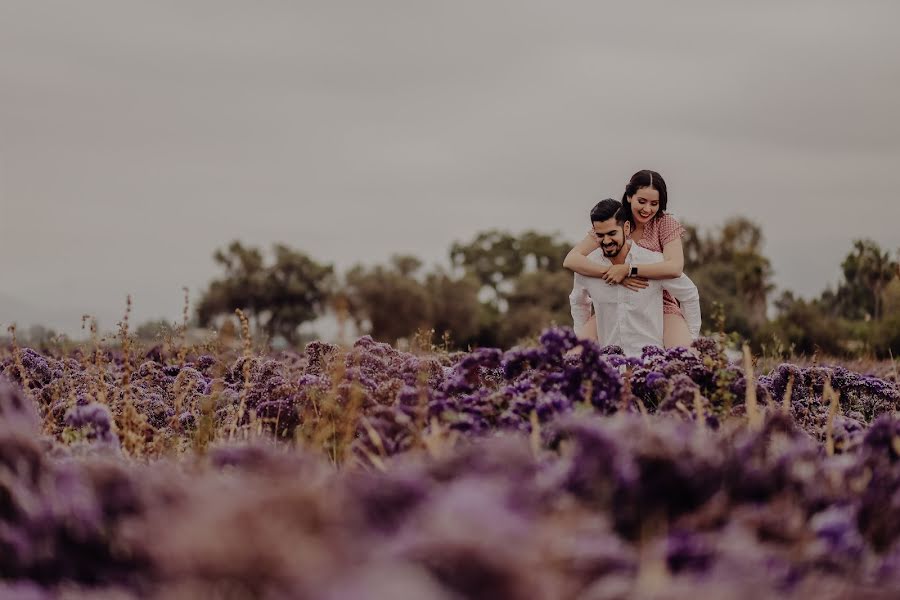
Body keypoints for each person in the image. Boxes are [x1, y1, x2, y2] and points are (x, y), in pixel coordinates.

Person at [564, 169, 692, 348]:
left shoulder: (664, 224)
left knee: (685, 358)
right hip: (616, 302)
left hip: (661, 304)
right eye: (642, 201)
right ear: (630, 196)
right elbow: (571, 259)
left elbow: (675, 267)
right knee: (574, 359)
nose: (647, 209)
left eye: (654, 203)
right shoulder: (615, 220)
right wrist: (610, 272)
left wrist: (628, 269)